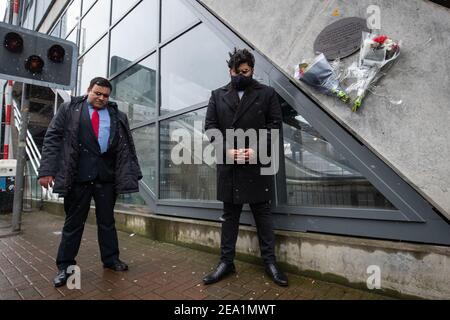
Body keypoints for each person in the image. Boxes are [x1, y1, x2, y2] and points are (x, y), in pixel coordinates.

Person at [38, 77, 142, 287]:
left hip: (106, 178)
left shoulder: (117, 115)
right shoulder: (69, 109)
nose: (101, 98)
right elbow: (52, 138)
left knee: (107, 222)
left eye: (105, 95)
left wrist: (131, 171)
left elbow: (126, 146)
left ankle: (111, 259)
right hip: (78, 178)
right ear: (88, 91)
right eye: (97, 93)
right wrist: (47, 170)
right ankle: (65, 268)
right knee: (73, 224)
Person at [203, 48, 288, 286]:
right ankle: (226, 262)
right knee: (230, 217)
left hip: (257, 165)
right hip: (230, 166)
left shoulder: (267, 93)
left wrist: (257, 150)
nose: (240, 75)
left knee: (263, 216)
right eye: (235, 71)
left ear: (252, 70)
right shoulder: (217, 95)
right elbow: (210, 126)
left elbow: (274, 125)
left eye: (245, 71)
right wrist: (227, 151)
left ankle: (270, 262)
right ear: (229, 70)